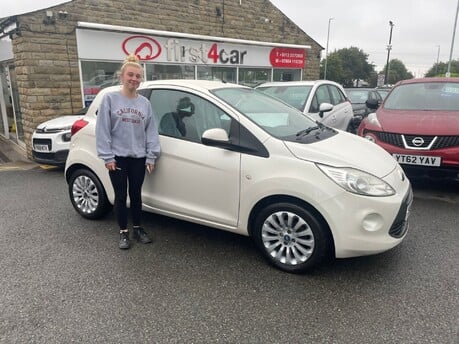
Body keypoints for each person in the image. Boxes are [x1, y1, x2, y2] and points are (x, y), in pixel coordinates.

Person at [96, 55, 160, 250]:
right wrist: (107, 156)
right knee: (121, 196)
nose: (134, 79)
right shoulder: (110, 99)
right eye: (130, 75)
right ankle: (123, 232)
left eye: (138, 76)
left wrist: (151, 155)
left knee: (136, 195)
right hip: (118, 158)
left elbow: (151, 131)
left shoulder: (144, 104)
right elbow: (103, 129)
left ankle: (138, 228)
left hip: (138, 158)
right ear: (121, 77)